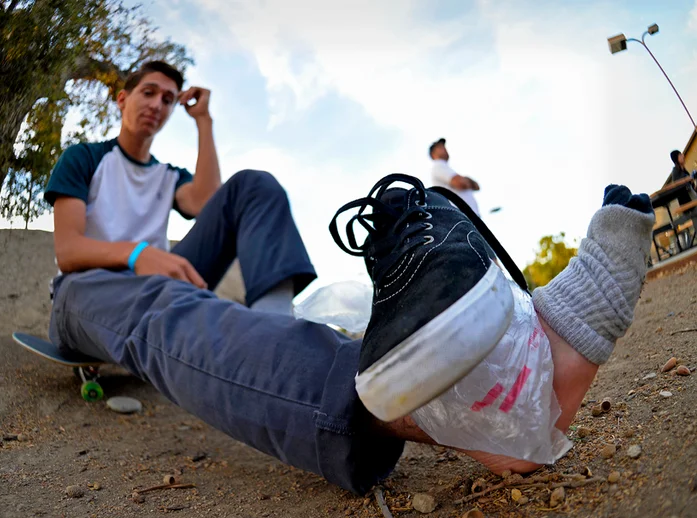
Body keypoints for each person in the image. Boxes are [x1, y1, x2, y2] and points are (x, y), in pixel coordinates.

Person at [45, 61, 656, 495]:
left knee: (252, 185)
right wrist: (136, 257)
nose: (156, 104)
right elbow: (70, 248)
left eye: (167, 98)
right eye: (147, 93)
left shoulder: (166, 171)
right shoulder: (87, 159)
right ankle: (484, 411)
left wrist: (202, 122)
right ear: (121, 99)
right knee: (158, 300)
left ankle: (270, 334)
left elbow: (207, 200)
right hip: (89, 289)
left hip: (172, 267)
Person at [428, 137, 482, 217]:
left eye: (444, 146)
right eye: (439, 147)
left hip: (467, 217)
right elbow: (461, 183)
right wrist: (465, 180)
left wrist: (464, 180)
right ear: (433, 154)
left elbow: (477, 187)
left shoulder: (445, 167)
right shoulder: (439, 165)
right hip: (463, 216)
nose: (444, 148)